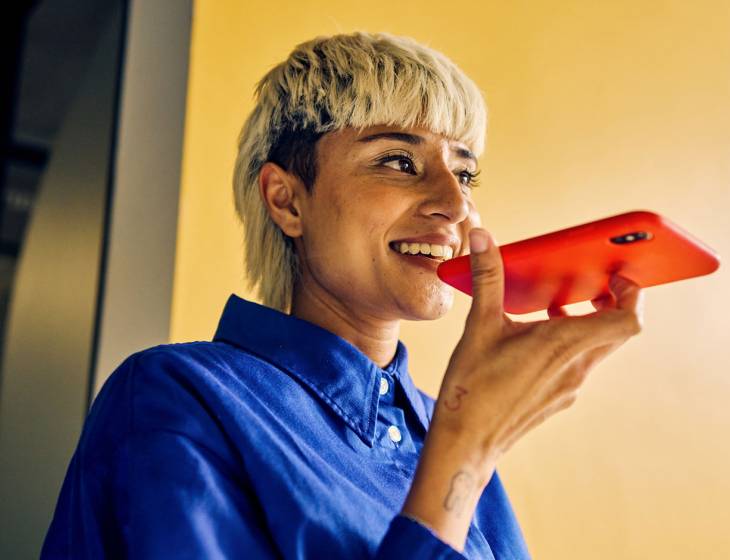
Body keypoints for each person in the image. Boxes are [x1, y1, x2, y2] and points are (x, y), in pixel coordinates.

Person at [41, 31, 644, 559]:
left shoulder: (450, 424)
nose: (455, 204)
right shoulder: (177, 395)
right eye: (398, 161)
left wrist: (465, 442)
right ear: (286, 200)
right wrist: (464, 452)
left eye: (464, 173)